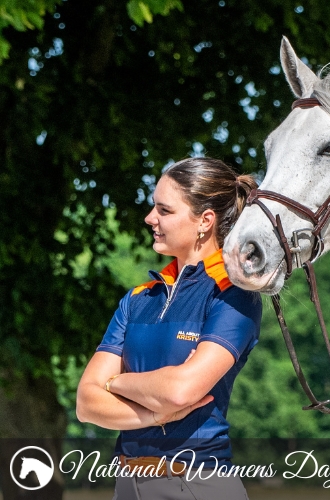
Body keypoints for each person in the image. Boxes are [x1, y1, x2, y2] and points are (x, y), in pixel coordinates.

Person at [76, 157, 262, 499]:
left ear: (205, 221)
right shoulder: (137, 299)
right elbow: (86, 402)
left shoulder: (233, 295)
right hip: (126, 483)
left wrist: (115, 383)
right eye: (153, 207)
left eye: (164, 210)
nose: (150, 218)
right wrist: (154, 415)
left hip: (196, 483)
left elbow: (180, 392)